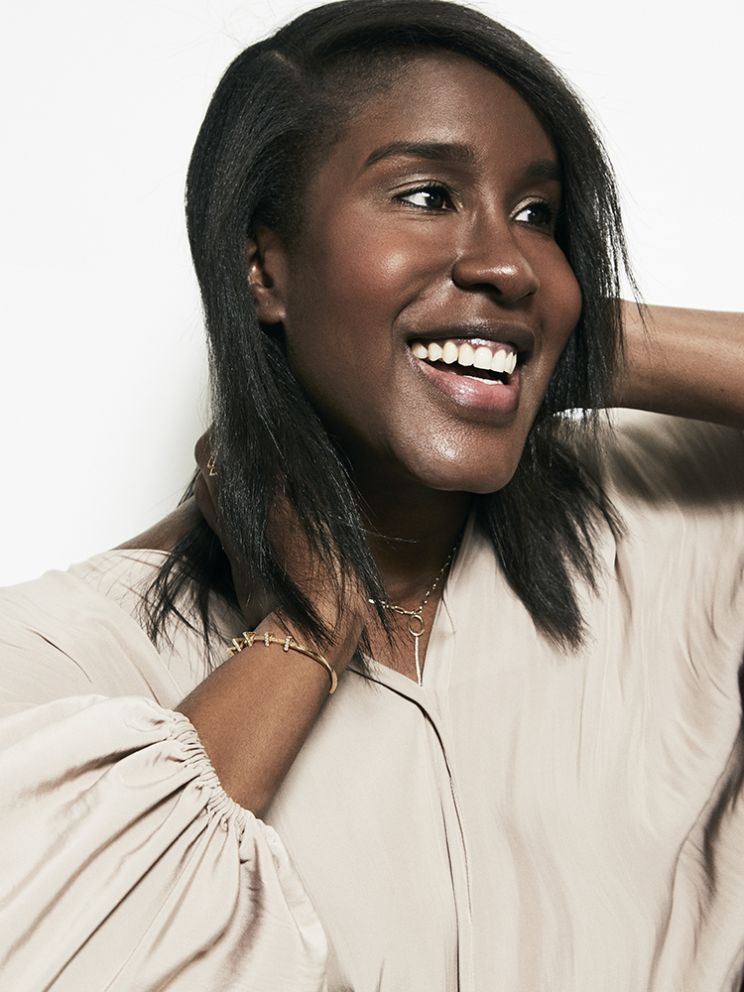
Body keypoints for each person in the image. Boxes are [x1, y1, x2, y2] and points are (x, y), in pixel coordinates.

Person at [1, 0, 743, 988]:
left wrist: (567, 340)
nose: (508, 261)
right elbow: (70, 947)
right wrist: (305, 631)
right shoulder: (58, 656)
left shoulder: (671, 525)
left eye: (538, 217)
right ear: (263, 267)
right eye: (428, 196)